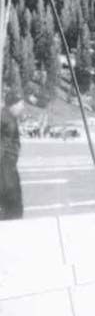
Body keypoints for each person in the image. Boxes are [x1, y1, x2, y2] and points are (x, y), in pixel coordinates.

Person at [0, 89, 24, 220]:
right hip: (5, 167)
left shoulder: (7, 117)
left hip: (7, 165)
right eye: (21, 104)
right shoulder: (6, 119)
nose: (22, 107)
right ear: (13, 105)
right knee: (13, 205)